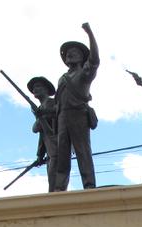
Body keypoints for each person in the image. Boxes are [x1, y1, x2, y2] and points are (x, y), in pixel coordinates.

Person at [55, 22, 99, 191]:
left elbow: (95, 60)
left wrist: (89, 33)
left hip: (78, 115)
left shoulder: (84, 73)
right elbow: (58, 102)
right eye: (68, 53)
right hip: (62, 118)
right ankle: (59, 188)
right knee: (62, 156)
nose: (70, 54)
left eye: (74, 52)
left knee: (83, 152)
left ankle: (89, 186)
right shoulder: (62, 79)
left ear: (82, 57)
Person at [27, 76, 57, 193]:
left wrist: (41, 117)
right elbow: (41, 133)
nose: (35, 89)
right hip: (49, 146)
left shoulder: (52, 103)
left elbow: (39, 127)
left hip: (57, 143)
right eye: (33, 88)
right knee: (51, 171)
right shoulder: (40, 108)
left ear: (46, 89)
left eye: (38, 86)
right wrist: (40, 154)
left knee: (56, 172)